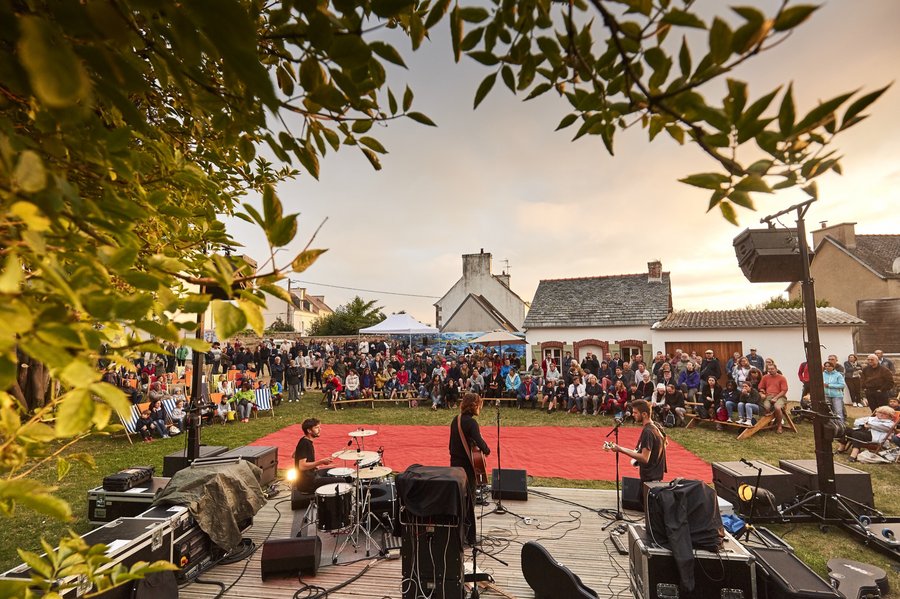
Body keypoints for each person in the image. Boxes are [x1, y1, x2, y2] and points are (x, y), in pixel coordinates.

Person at [449, 393, 492, 545]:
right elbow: (480, 442)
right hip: (467, 468)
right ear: (474, 405)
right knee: (469, 501)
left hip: (454, 466)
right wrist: (487, 450)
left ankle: (457, 534)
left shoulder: (456, 420)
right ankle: (471, 538)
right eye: (479, 404)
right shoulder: (472, 423)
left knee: (458, 500)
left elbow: (452, 445)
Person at [605, 399, 667, 483]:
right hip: (653, 478)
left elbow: (644, 458)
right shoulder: (655, 427)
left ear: (644, 414)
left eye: (635, 413)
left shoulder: (648, 432)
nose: (633, 415)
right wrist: (618, 448)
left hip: (650, 480)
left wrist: (620, 450)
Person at [292, 418, 342, 494]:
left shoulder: (303, 439)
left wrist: (312, 466)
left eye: (319, 427)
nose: (319, 429)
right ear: (309, 431)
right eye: (316, 428)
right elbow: (302, 466)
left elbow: (294, 455)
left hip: (309, 476)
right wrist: (321, 462)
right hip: (308, 483)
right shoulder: (306, 444)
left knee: (333, 471)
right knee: (342, 480)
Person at [759, 363, 789, 434]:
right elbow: (761, 387)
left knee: (777, 407)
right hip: (768, 396)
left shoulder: (782, 378)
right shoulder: (765, 377)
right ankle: (768, 424)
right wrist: (762, 392)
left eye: (772, 369)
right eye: (769, 369)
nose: (770, 370)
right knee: (765, 407)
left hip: (780, 397)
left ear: (776, 369)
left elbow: (784, 390)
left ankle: (779, 426)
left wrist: (776, 398)